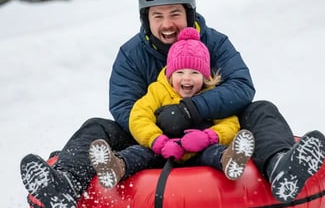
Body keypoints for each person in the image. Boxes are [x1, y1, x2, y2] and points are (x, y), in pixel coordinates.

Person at [20, 0, 325, 208]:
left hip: (212, 130)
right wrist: (157, 129)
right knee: (96, 127)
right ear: (147, 20)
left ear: (189, 15)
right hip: (148, 138)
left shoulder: (214, 43)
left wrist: (190, 110)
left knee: (261, 110)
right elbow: (123, 105)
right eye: (159, 16)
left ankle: (281, 169)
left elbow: (242, 86)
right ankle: (64, 186)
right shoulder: (132, 53)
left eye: (175, 14)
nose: (167, 24)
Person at [88, 27, 255, 189]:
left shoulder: (211, 94)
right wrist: (158, 142)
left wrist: (209, 137)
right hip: (161, 150)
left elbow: (230, 123)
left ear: (205, 77)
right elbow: (139, 116)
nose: (187, 79)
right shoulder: (158, 91)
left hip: (201, 150)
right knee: (139, 153)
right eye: (180, 72)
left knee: (214, 153)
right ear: (170, 75)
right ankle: (116, 166)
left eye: (195, 73)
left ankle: (230, 160)